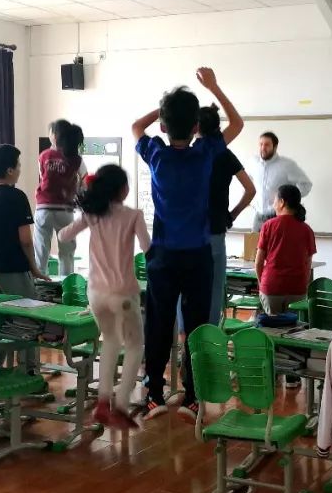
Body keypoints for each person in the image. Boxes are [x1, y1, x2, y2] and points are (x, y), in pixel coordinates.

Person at [132, 66, 243, 420]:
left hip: (163, 256)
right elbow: (237, 123)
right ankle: (193, 397)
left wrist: (163, 110)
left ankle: (154, 394)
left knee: (158, 324)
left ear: (164, 127)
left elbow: (136, 126)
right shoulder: (205, 152)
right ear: (196, 127)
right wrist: (214, 86)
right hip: (198, 255)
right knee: (196, 327)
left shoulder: (156, 154)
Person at [60, 164, 150, 430]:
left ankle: (102, 401)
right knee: (135, 346)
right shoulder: (133, 215)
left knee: (109, 341)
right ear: (122, 190)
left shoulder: (92, 214)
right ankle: (121, 404)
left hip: (96, 294)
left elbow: (64, 236)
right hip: (123, 293)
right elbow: (148, 248)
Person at [198, 104, 255, 324]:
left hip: (190, 232)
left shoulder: (191, 153)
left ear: (196, 128)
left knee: (186, 292)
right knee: (214, 291)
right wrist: (232, 215)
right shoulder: (225, 154)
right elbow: (250, 190)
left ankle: (186, 339)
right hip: (216, 229)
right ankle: (210, 337)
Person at [0, 144, 50, 297]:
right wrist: (34, 268)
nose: (20, 170)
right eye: (18, 165)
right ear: (10, 170)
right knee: (25, 309)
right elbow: (26, 240)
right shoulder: (17, 196)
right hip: (11, 267)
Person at [34, 119, 86, 276]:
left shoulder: (44, 155)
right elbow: (85, 179)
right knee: (67, 250)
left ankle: (40, 281)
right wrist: (77, 192)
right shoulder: (76, 158)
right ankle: (67, 281)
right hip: (65, 209)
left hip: (43, 207)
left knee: (41, 248)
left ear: (55, 136)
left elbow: (42, 177)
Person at [255, 185, 315, 316]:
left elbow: (258, 262)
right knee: (295, 326)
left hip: (271, 286)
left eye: (275, 200)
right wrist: (303, 284)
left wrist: (262, 283)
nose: (273, 204)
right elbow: (308, 264)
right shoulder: (307, 230)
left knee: (271, 326)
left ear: (282, 202)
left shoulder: (268, 226)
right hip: (297, 287)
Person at [249, 131, 312, 232]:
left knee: (278, 243)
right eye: (261, 144)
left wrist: (289, 202)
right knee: (254, 242)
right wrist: (251, 202)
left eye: (267, 145)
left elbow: (306, 184)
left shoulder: (287, 165)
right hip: (259, 217)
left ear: (275, 147)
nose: (263, 148)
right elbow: (247, 182)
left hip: (279, 216)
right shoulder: (253, 163)